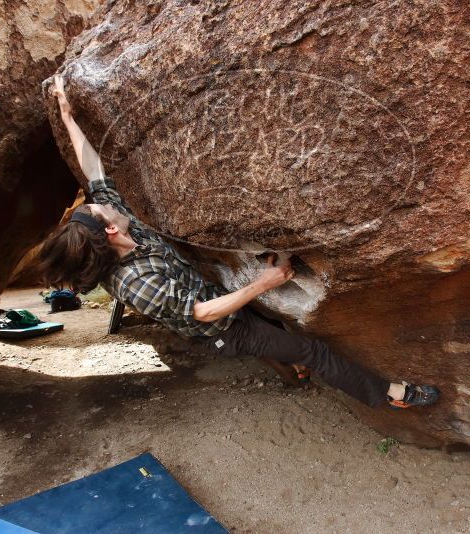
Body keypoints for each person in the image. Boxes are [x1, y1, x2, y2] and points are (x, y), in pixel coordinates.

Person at [39, 75, 440, 411]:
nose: (99, 203)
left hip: (217, 296)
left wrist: (67, 114)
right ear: (110, 231)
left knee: (271, 330)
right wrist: (264, 283)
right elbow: (203, 313)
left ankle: (286, 366)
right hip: (222, 327)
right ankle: (393, 396)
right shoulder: (134, 282)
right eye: (98, 210)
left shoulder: (119, 230)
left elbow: (94, 171)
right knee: (307, 350)